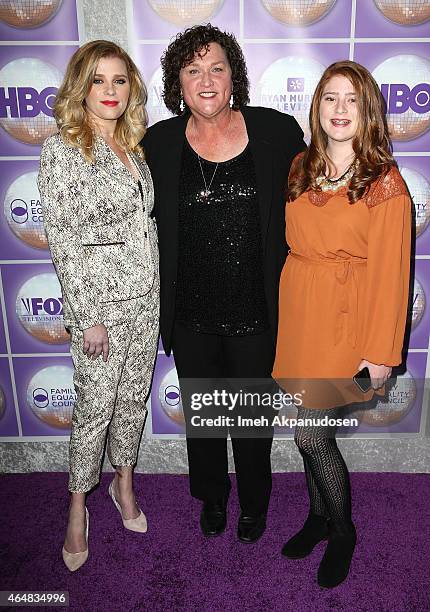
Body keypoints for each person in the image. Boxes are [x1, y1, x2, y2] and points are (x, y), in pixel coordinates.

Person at [142, 24, 305, 543]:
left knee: (252, 422)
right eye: (193, 71)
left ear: (234, 76)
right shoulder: (159, 143)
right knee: (204, 419)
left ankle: (254, 504)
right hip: (190, 314)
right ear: (178, 83)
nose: (206, 80)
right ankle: (212, 496)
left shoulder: (276, 132)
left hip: (258, 311)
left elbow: (318, 190)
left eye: (216, 67)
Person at [273, 60, 411, 588]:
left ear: (368, 109)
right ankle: (317, 518)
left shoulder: (384, 182)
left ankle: (344, 530)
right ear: (317, 107)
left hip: (347, 320)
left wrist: (380, 352)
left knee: (310, 435)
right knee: (309, 429)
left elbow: (393, 274)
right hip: (302, 314)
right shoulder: (300, 168)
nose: (339, 109)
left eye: (351, 99)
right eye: (330, 98)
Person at [38, 40, 159, 571]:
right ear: (80, 88)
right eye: (98, 81)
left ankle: (123, 486)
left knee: (132, 402)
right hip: (101, 310)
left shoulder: (135, 145)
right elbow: (63, 238)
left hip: (146, 298)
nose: (110, 91)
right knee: (92, 412)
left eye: (120, 80)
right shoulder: (62, 148)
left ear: (131, 87)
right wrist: (87, 314)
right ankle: (76, 510)